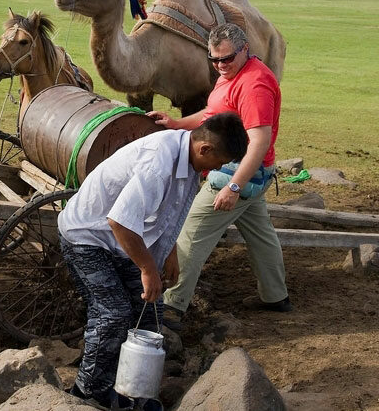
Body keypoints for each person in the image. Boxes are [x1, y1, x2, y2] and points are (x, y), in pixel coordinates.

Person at [59, 113, 248, 410]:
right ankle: (88, 392)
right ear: (205, 149)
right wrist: (148, 268)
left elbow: (168, 211)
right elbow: (119, 221)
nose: (219, 169)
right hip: (88, 236)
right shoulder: (158, 162)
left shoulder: (188, 160)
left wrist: (169, 252)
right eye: (220, 162)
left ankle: (133, 390)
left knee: (150, 313)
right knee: (113, 314)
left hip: (123, 241)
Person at [149, 23, 293, 332]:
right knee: (261, 236)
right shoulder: (231, 76)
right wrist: (176, 123)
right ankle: (275, 297)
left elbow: (259, 142)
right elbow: (210, 116)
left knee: (191, 232)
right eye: (214, 60)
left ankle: (172, 309)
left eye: (226, 59)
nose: (220, 66)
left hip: (239, 171)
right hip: (246, 171)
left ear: (244, 50)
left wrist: (234, 186)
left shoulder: (254, 85)